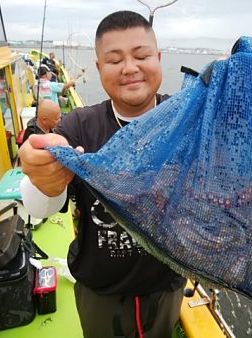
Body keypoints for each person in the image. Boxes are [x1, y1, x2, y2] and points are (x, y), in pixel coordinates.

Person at [20, 11, 187, 338]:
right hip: (99, 293)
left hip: (167, 288)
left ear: (159, 58)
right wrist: (44, 176)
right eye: (114, 60)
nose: (130, 67)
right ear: (98, 68)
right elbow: (41, 208)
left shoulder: (185, 118)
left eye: (141, 55)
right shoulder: (79, 126)